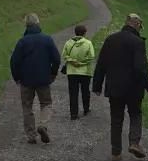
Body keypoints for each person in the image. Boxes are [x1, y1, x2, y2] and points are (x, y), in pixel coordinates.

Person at [93, 13, 148, 161]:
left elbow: (101, 64)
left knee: (116, 118)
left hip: (114, 87)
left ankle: (116, 152)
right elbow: (141, 69)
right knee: (135, 114)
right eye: (140, 26)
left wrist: (97, 85)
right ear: (137, 24)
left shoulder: (111, 39)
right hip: (133, 89)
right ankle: (134, 143)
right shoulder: (138, 43)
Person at [10, 13, 61, 144]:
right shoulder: (47, 39)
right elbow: (56, 58)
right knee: (46, 104)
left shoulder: (22, 41)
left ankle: (31, 135)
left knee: (27, 106)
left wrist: (17, 77)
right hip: (43, 78)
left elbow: (14, 61)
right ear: (38, 24)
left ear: (26, 26)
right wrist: (53, 73)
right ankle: (43, 125)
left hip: (26, 80)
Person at [61, 24, 95, 120]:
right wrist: (81, 63)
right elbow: (91, 56)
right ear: (84, 33)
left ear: (75, 32)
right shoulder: (88, 43)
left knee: (73, 93)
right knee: (85, 91)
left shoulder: (68, 43)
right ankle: (86, 109)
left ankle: (73, 114)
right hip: (85, 72)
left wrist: (72, 61)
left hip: (72, 71)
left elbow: (64, 55)